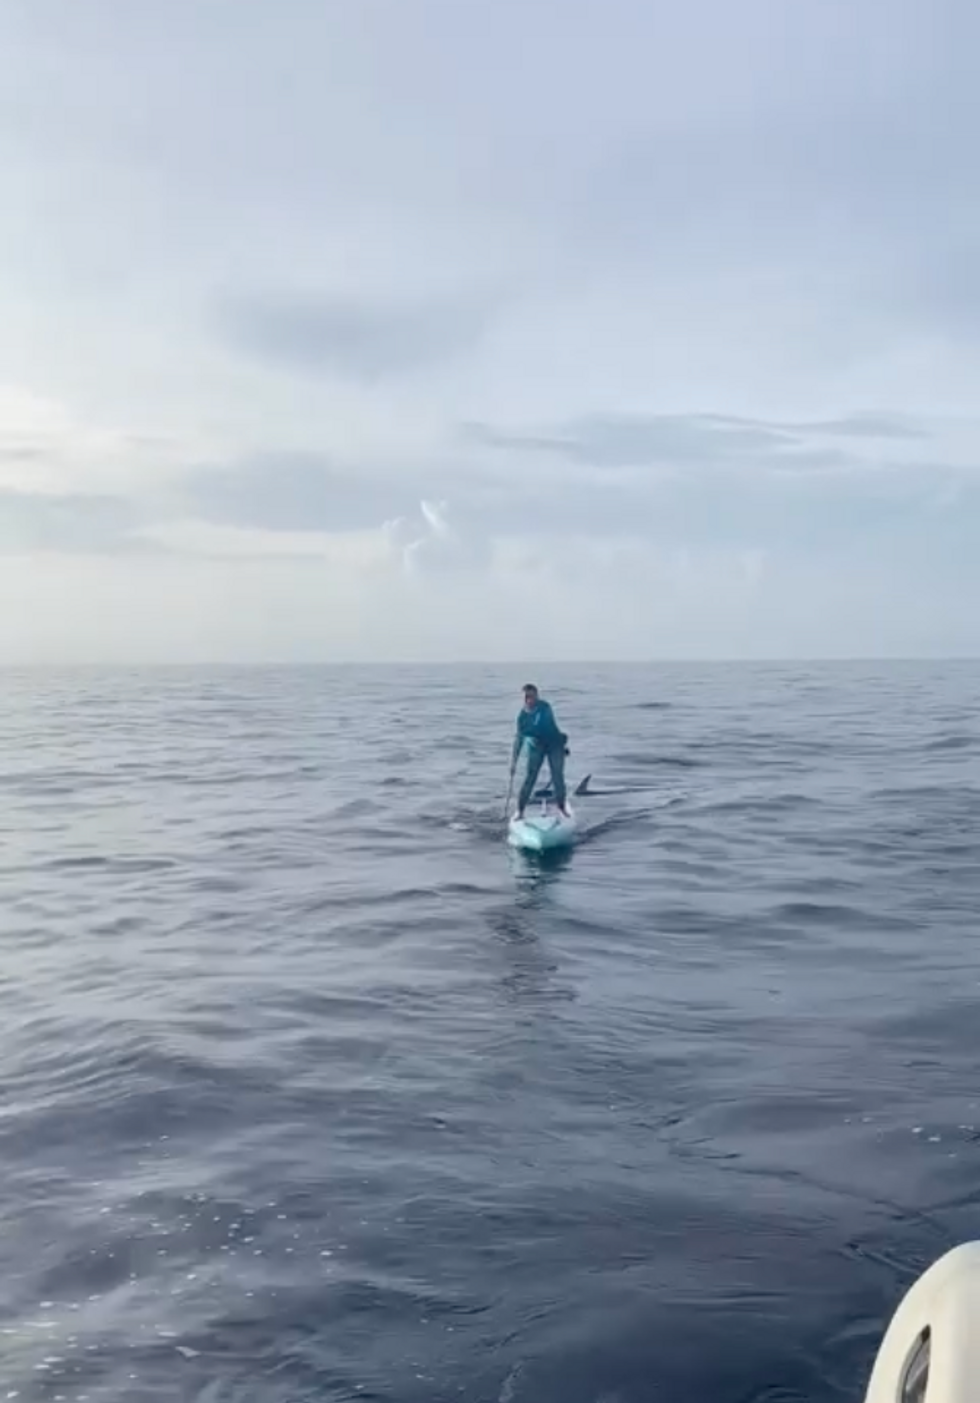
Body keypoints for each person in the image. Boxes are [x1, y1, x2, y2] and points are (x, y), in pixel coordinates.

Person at [510, 683, 570, 819]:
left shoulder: (545, 708)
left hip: (553, 743)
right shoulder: (522, 718)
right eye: (527, 697)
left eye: (533, 696)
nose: (530, 700)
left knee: (557, 776)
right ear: (524, 699)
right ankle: (520, 811)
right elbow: (518, 741)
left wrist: (562, 746)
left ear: (537, 696)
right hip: (536, 746)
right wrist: (513, 763)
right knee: (530, 777)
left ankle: (562, 807)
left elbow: (551, 728)